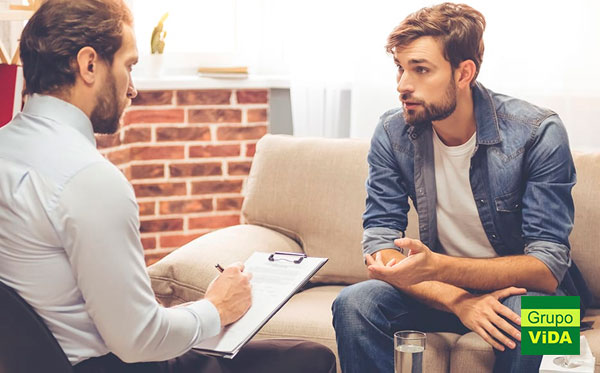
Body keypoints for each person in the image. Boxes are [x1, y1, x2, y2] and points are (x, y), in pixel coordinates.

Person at [0, 1, 336, 372]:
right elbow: (139, 340)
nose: (134, 89)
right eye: (129, 65)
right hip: (110, 365)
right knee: (308, 357)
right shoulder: (88, 179)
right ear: (89, 64)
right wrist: (217, 308)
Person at [332, 3, 590, 372]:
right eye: (401, 69)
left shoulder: (538, 131)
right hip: (438, 293)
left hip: (527, 294)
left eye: (421, 70)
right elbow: (379, 245)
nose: (403, 85)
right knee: (355, 302)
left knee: (546, 315)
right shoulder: (392, 132)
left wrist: (437, 266)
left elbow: (547, 267)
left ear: (463, 72)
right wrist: (458, 300)